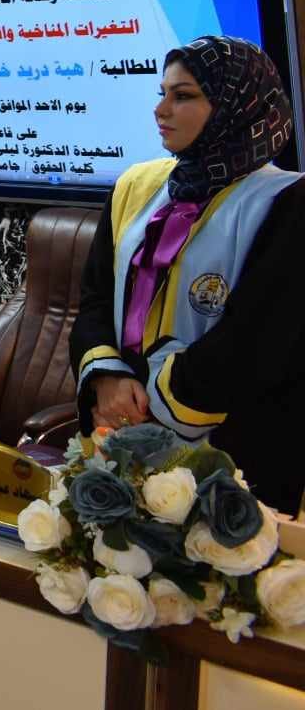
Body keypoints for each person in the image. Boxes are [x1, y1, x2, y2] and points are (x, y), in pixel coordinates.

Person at [70, 36, 304, 513]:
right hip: (118, 428)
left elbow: (256, 341)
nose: (161, 110)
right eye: (162, 93)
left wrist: (147, 407)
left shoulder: (286, 202)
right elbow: (95, 299)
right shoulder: (135, 185)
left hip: (233, 449)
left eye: (183, 96)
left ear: (237, 107)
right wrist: (108, 380)